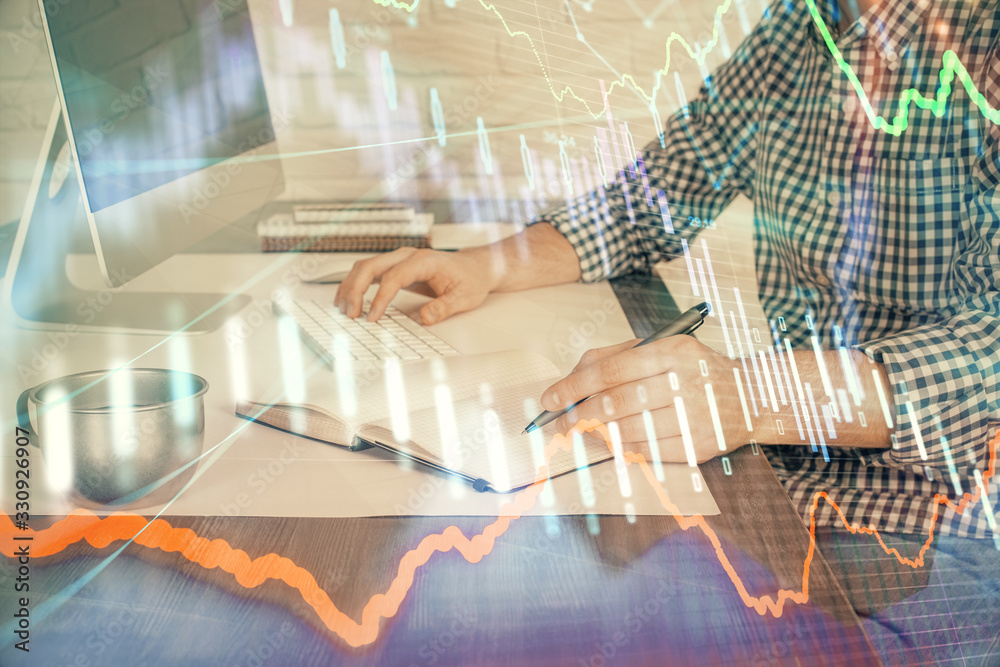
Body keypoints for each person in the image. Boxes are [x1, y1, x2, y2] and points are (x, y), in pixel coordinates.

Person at [336, 0, 1000, 662]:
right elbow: (659, 191)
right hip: (787, 467)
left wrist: (751, 396)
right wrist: (483, 266)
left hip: (940, 525)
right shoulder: (802, 22)